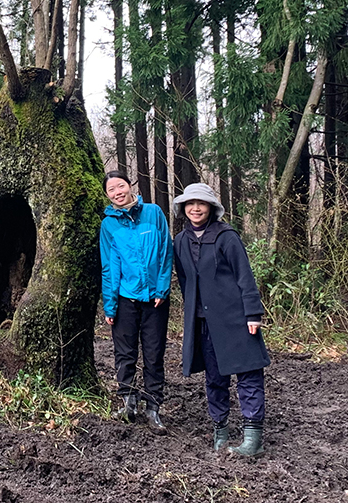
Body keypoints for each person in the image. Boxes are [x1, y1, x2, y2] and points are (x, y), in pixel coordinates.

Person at [173, 182, 270, 456]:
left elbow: (245, 276)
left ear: (211, 207)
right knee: (215, 378)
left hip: (236, 318)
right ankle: (221, 431)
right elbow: (185, 281)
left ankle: (253, 438)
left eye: (201, 203)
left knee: (248, 374)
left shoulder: (227, 237)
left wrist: (253, 313)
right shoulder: (180, 241)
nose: (195, 208)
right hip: (203, 323)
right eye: (190, 204)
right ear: (183, 207)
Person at [99, 170, 173, 434]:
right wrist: (110, 305)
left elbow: (165, 252)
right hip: (125, 299)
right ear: (107, 195)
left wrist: (162, 289)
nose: (117, 192)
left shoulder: (153, 213)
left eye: (120, 186)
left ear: (130, 185)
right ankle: (128, 403)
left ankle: (153, 408)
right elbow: (109, 267)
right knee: (125, 353)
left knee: (154, 354)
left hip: (155, 300)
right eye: (111, 190)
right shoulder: (109, 225)